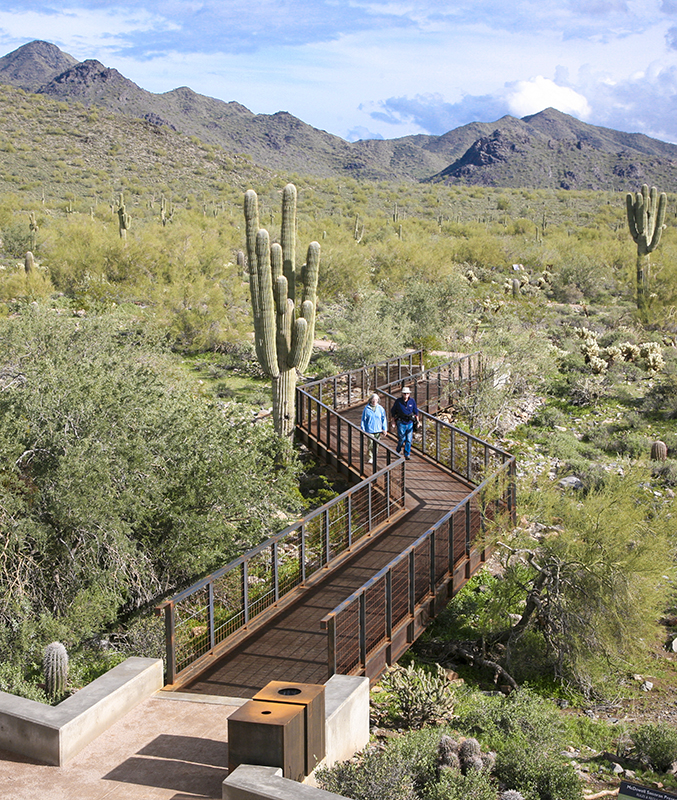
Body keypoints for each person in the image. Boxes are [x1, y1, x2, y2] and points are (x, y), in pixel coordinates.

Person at [390, 386, 419, 460]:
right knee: (402, 438)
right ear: (402, 394)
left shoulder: (412, 401)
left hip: (410, 422)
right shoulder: (398, 401)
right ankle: (398, 449)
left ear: (409, 394)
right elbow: (393, 411)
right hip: (401, 422)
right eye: (404, 393)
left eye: (407, 393)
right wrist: (393, 421)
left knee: (409, 439)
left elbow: (416, 412)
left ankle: (407, 454)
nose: (406, 395)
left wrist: (418, 421)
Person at [360, 393, 388, 464]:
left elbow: (383, 419)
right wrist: (363, 429)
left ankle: (374, 455)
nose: (374, 401)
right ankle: (370, 457)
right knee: (370, 443)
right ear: (370, 400)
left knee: (376, 444)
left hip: (378, 429)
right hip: (369, 429)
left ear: (378, 400)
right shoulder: (367, 409)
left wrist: (384, 429)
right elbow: (363, 419)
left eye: (376, 399)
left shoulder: (380, 408)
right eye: (373, 399)